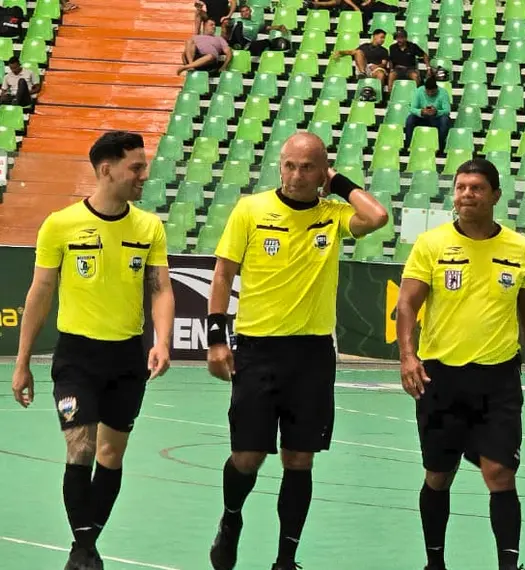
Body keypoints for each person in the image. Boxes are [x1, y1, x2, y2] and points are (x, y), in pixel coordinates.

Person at [206, 132, 389, 570]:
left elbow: (378, 216)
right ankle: (231, 520)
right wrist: (216, 338)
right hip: (257, 349)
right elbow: (222, 273)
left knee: (299, 458)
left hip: (311, 354)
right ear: (279, 166)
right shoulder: (250, 210)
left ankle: (286, 559)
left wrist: (340, 184)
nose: (296, 175)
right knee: (247, 456)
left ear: (322, 171)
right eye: (289, 165)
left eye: (308, 167)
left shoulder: (332, 214)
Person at [11, 131, 175, 570]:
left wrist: (161, 340)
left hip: (126, 357)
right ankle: (85, 550)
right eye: (135, 167)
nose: (144, 174)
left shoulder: (149, 227)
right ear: (107, 170)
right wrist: (22, 363)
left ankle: (84, 546)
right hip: (77, 357)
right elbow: (40, 292)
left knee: (110, 455)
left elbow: (160, 289)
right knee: (80, 445)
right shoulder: (60, 225)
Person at [397, 158, 525, 570]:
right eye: (461, 187)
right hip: (440, 378)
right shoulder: (431, 245)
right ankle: (435, 562)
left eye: (477, 188)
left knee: (500, 473)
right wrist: (408, 356)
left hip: (498, 379)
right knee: (438, 475)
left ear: (496, 195)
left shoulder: (519, 249)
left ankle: (508, 565)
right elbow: (407, 304)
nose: (467, 195)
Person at [404, 77, 451, 152]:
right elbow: (412, 109)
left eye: (432, 92)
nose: (430, 94)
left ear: (436, 89)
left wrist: (436, 112)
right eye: (428, 91)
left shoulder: (443, 92)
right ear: (425, 89)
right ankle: (408, 145)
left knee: (445, 119)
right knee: (410, 118)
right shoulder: (419, 91)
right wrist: (422, 111)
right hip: (422, 118)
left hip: (436, 119)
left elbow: (447, 111)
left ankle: (440, 146)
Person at [222, 3, 289, 55]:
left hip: (249, 44)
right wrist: (224, 35)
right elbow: (225, 23)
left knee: (266, 42)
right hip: (235, 41)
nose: (245, 13)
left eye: (246, 10)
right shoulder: (236, 20)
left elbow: (266, 28)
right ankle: (239, 45)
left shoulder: (257, 23)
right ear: (241, 14)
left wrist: (278, 27)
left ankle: (245, 46)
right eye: (242, 12)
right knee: (239, 24)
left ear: (250, 11)